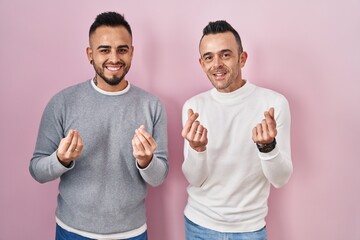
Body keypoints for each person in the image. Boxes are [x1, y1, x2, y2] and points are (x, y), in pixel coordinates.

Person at [29, 12, 168, 240]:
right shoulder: (62, 103)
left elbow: (159, 176)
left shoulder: (151, 106)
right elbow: (37, 170)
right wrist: (61, 159)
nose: (114, 58)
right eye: (104, 50)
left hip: (131, 233)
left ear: (132, 52)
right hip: (72, 231)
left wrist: (146, 161)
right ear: (89, 54)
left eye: (122, 49)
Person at [181, 20, 293, 240]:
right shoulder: (194, 107)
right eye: (209, 57)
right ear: (202, 63)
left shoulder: (273, 103)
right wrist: (197, 149)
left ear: (242, 58)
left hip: (249, 229)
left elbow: (280, 179)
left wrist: (267, 147)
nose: (217, 64)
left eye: (225, 54)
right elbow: (195, 179)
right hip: (199, 225)